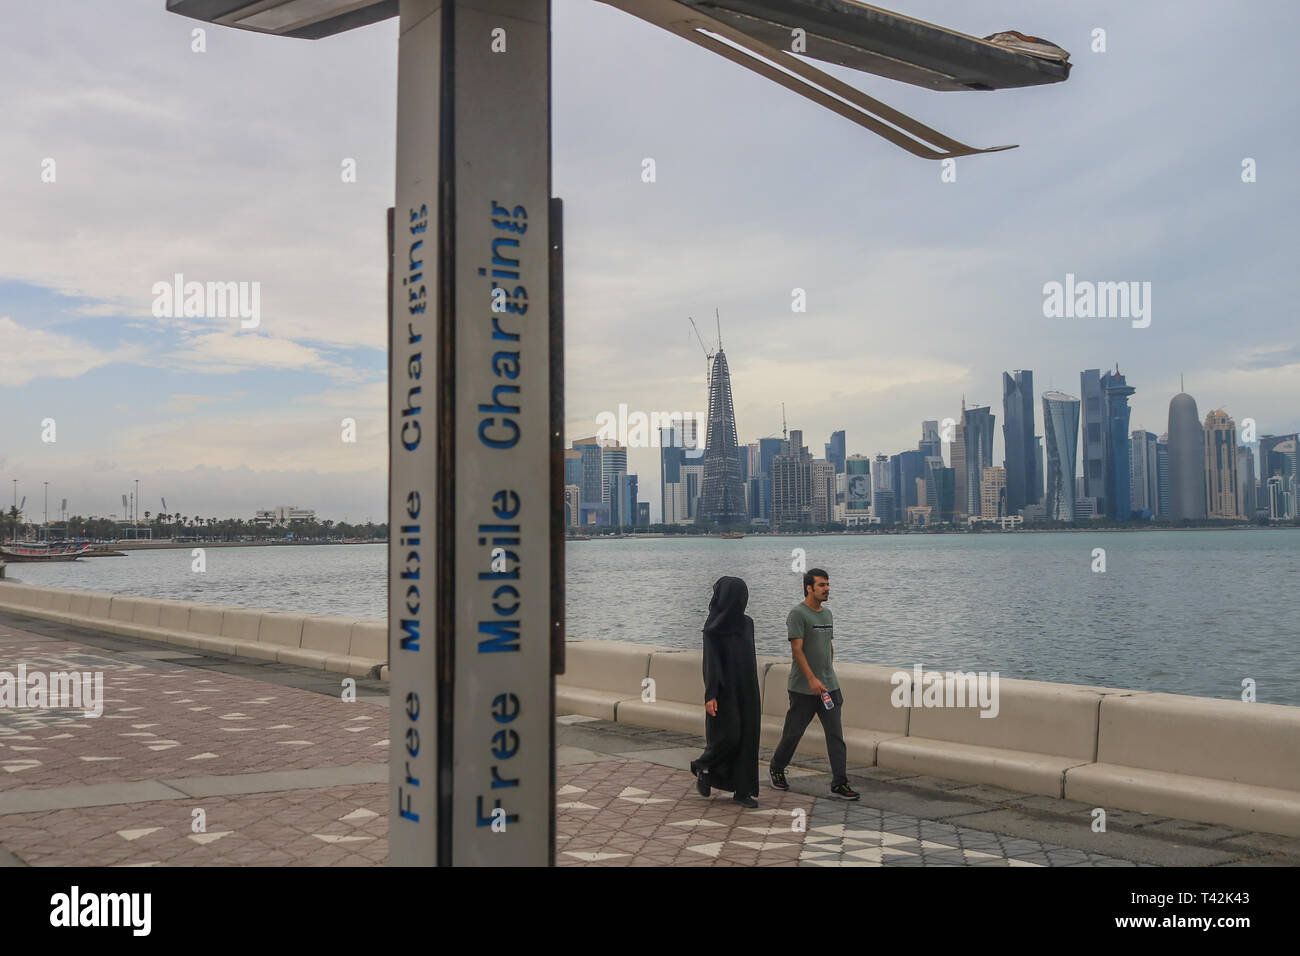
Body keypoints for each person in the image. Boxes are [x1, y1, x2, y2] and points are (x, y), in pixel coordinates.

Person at [768, 568, 860, 800]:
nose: (827, 589)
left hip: (829, 687)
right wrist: (811, 678)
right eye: (821, 585)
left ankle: (840, 782)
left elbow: (828, 645)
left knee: (835, 736)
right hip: (803, 688)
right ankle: (777, 768)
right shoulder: (798, 614)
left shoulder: (827, 614)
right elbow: (797, 650)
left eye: (828, 584)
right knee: (793, 733)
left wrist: (828, 673)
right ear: (809, 588)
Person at [689, 576, 761, 808]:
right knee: (729, 735)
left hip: (748, 689)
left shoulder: (747, 623)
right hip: (724, 691)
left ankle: (742, 791)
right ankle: (703, 765)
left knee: (748, 739)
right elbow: (711, 663)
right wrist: (710, 695)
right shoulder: (713, 628)